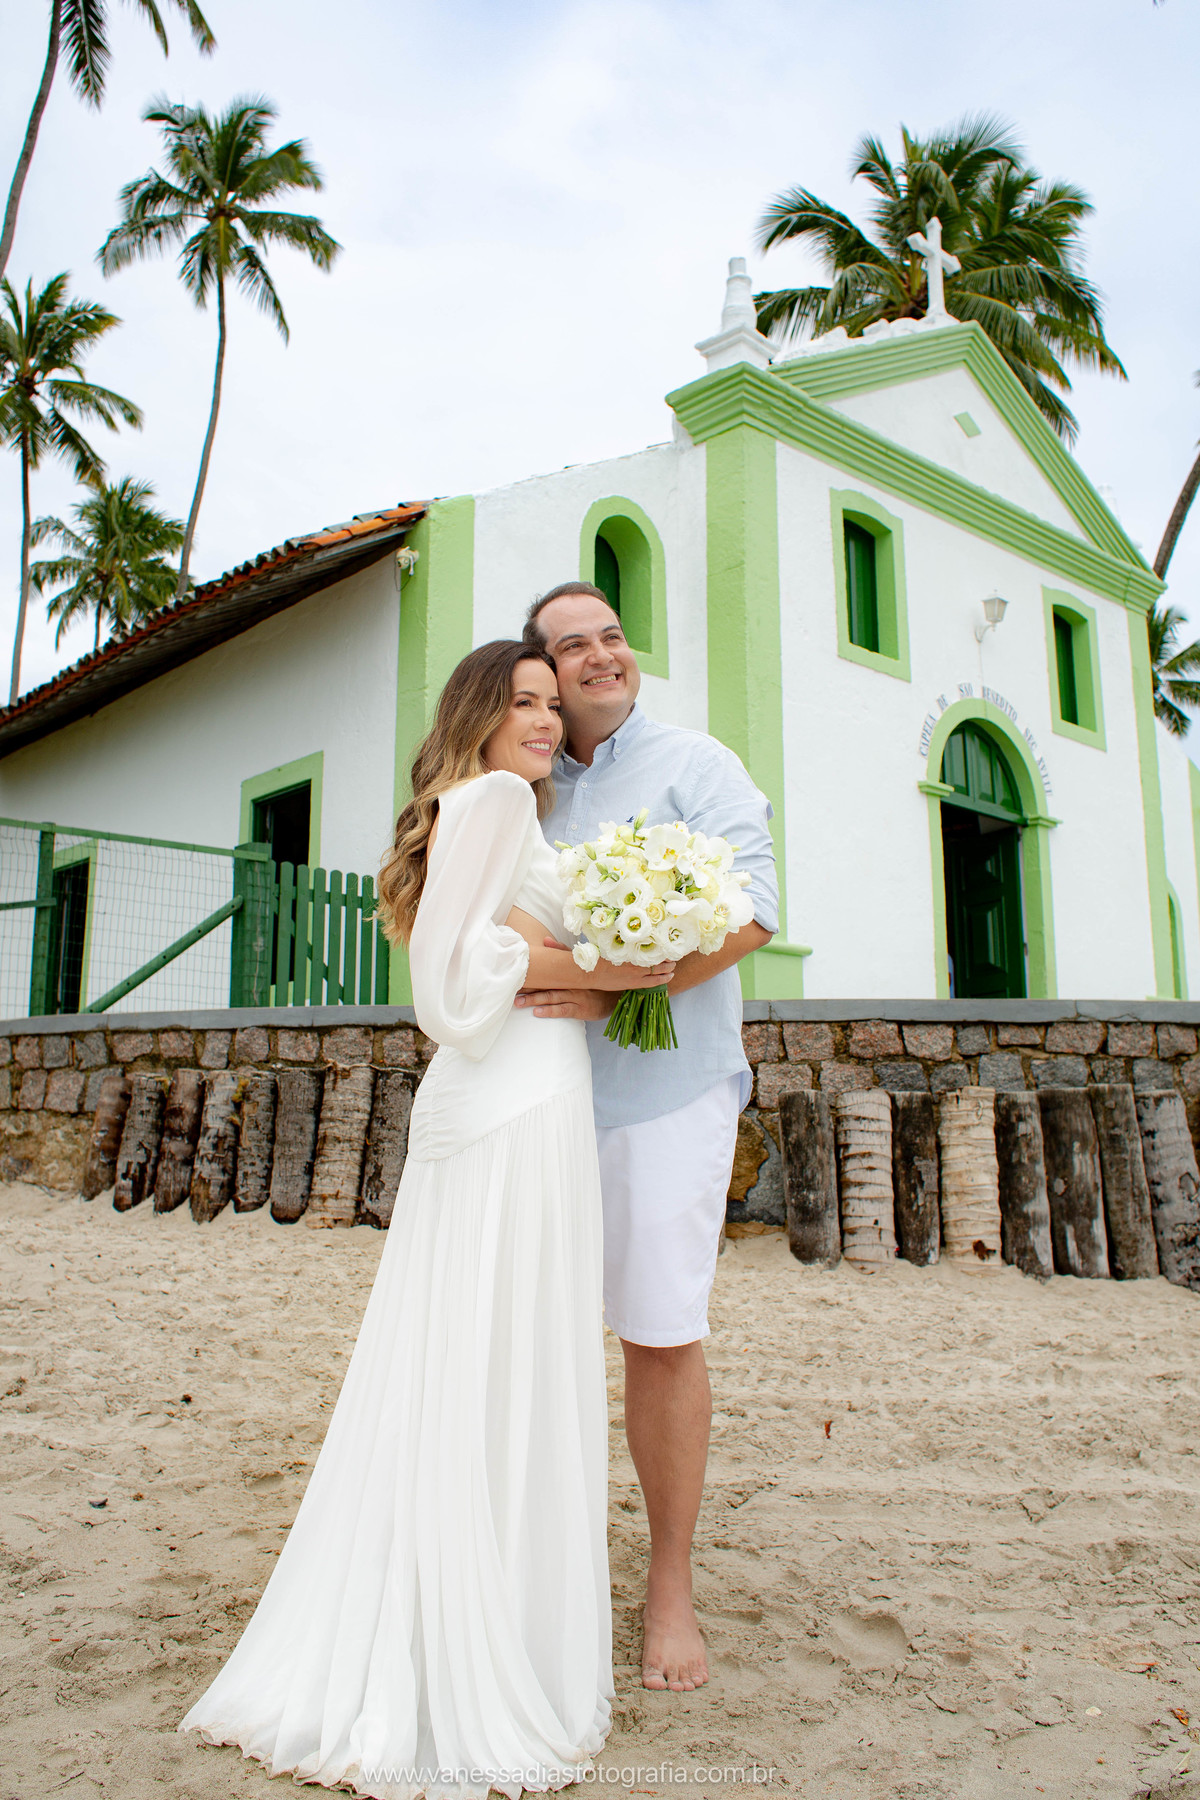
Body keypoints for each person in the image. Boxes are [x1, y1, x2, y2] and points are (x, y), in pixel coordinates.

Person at [179, 640, 674, 1800]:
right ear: (478, 715)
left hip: (526, 1100)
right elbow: (450, 991)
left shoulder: (500, 810)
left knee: (479, 1360)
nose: (546, 721)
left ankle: (472, 1605)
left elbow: (491, 950)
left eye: (555, 704)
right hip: (505, 1101)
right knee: (489, 1360)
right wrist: (619, 970)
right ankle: (464, 1646)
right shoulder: (494, 799)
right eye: (524, 702)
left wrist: (607, 964)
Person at [516, 583, 778, 1696]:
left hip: (667, 1092)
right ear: (539, 675)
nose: (600, 656)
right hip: (539, 1094)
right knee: (532, 1333)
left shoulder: (698, 764)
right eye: (572, 647)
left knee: (662, 1331)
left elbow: (756, 911)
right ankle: (538, 1567)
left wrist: (628, 991)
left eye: (611, 636)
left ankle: (669, 1586)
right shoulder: (520, 784)